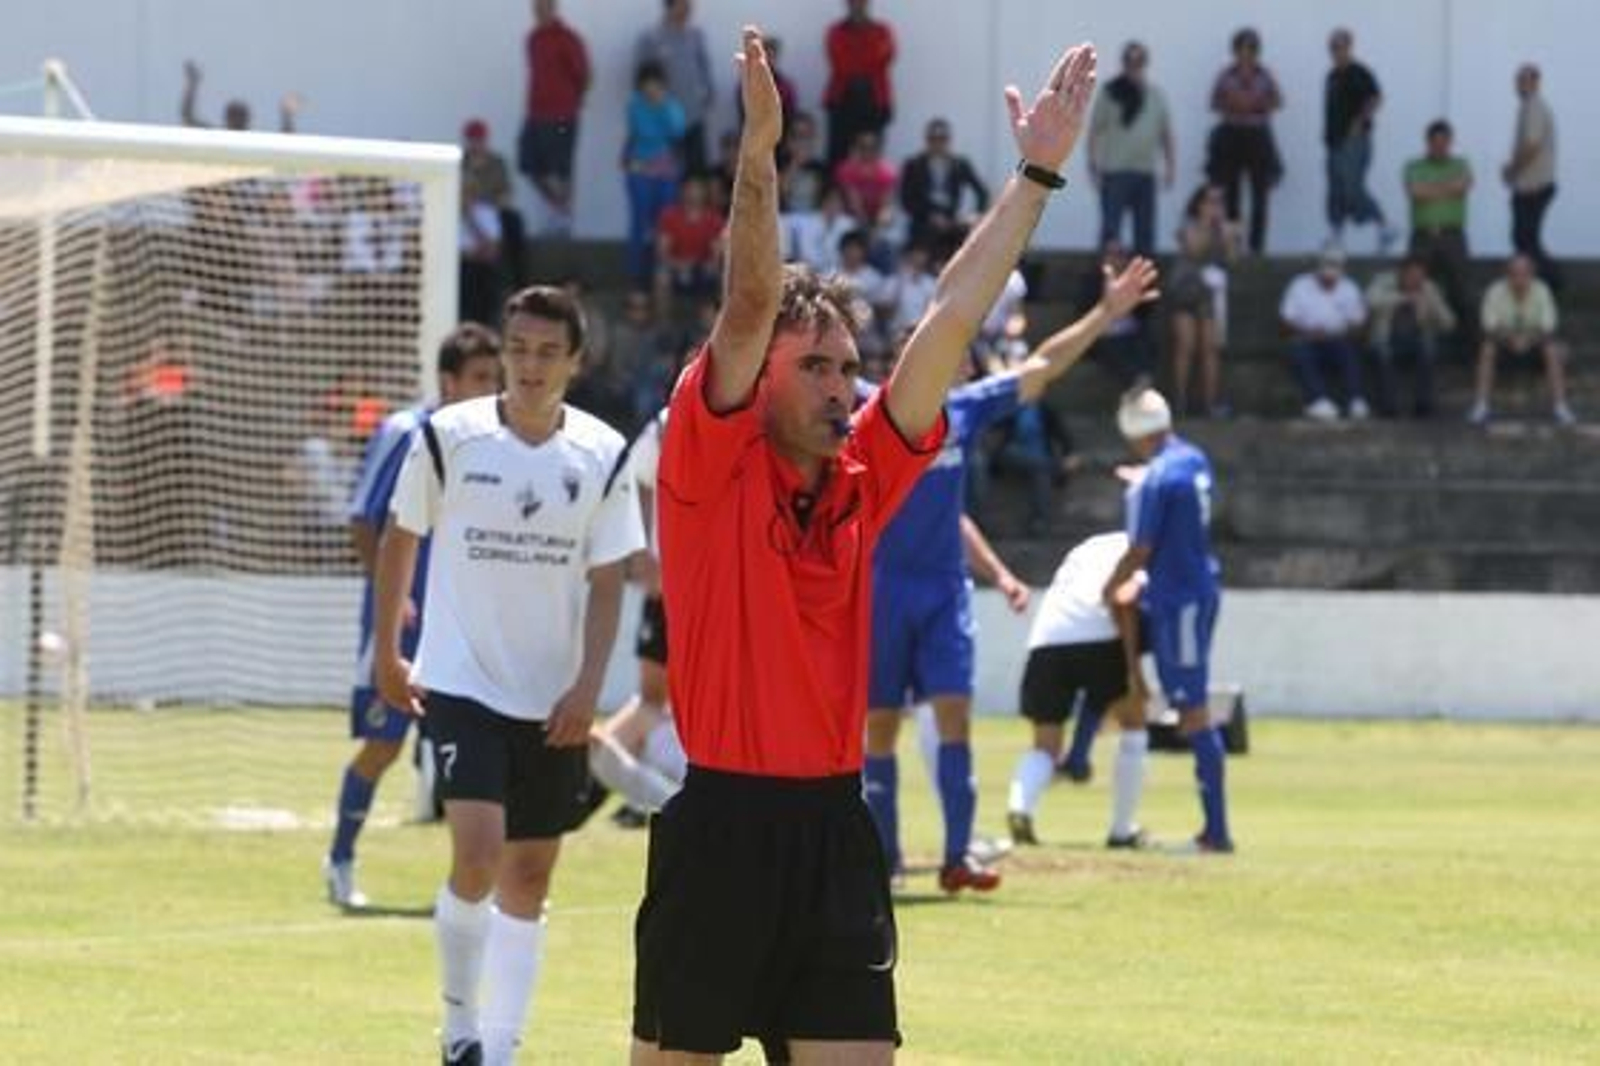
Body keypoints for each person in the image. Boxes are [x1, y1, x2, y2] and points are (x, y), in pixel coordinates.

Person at [631, 28, 1098, 1063]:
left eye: (850, 368)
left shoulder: (863, 474)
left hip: (838, 831)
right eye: (819, 369)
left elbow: (946, 318)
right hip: (721, 833)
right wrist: (758, 152)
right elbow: (750, 304)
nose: (846, 388)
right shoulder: (709, 462)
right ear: (761, 384)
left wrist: (1035, 175)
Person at [374, 286, 646, 1064]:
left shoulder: (602, 454)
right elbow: (400, 539)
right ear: (502, 352)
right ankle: (459, 1026)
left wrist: (589, 684)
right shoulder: (447, 437)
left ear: (575, 362)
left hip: (552, 694)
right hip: (459, 680)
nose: (529, 365)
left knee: (530, 873)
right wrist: (392, 651)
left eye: (546, 352)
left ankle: (500, 1047)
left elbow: (607, 577)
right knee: (480, 853)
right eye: (517, 349)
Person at [863, 253, 1159, 892]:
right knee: (878, 727)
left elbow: (1041, 367)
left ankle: (955, 857)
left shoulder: (961, 412)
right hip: (879, 588)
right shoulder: (866, 411)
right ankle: (882, 857)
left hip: (942, 590)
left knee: (954, 718)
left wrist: (1106, 314)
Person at [322, 324, 503, 909]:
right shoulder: (406, 432)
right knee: (383, 746)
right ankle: (341, 860)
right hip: (400, 625)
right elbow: (362, 520)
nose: (489, 389)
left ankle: (475, 884)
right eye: (478, 378)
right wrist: (393, 597)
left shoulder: (487, 440)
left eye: (492, 380)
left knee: (471, 753)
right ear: (447, 381)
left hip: (460, 626)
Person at [1102, 387, 1233, 854]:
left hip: (1179, 599)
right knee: (1185, 702)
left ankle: (1217, 832)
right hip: (1196, 588)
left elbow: (1140, 549)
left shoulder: (1154, 479)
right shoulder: (1192, 458)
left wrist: (1108, 587)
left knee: (1193, 711)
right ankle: (1213, 828)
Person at [1007, 531, 1148, 848]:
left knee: (1045, 744)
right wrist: (1134, 674)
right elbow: (1123, 603)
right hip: (1099, 634)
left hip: (1046, 638)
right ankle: (1122, 830)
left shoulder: (1088, 545)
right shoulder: (1143, 549)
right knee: (1134, 721)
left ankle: (1019, 808)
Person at [588, 408, 688, 825]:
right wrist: (643, 553)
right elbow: (633, 483)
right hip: (672, 592)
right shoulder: (666, 424)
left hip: (704, 591)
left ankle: (606, 783)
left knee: (666, 703)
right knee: (653, 699)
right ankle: (600, 783)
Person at [1088, 40, 1174, 257]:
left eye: (1139, 61)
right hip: (1115, 172)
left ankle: (1143, 287)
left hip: (1145, 173)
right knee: (1111, 233)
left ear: (1145, 64)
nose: (1134, 66)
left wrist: (1170, 167)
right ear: (1123, 63)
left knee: (1145, 236)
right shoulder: (1110, 93)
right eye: (1130, 61)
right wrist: (1093, 166)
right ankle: (1105, 284)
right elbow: (1095, 132)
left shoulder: (1156, 95)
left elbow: (1166, 135)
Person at [1469, 254, 1575, 426]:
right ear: (1507, 274)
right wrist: (1511, 338)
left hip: (1534, 343)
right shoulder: (1495, 291)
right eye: (1514, 273)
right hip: (1504, 342)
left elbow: (1548, 324)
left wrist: (1528, 338)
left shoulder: (1542, 290)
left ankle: (1560, 406)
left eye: (1523, 273)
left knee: (1552, 350)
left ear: (1531, 274)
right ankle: (1481, 406)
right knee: (1487, 350)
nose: (1518, 278)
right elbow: (1489, 324)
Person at [1166, 184, 1241, 417]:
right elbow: (1194, 249)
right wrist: (1210, 227)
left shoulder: (1224, 229)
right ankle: (1179, 401)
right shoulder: (1188, 227)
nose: (1215, 206)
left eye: (1219, 202)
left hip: (1210, 294)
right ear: (1199, 204)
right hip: (1186, 289)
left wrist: (1230, 239)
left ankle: (1210, 403)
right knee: (1186, 346)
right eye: (1210, 201)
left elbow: (1232, 261)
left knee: (1210, 349)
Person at [1206, 28, 1282, 254]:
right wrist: (1233, 105)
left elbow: (1278, 101)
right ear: (1235, 51)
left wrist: (1257, 105)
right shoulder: (1225, 76)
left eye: (1251, 49)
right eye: (1242, 49)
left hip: (1257, 136)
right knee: (1232, 193)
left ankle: (1257, 248)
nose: (1246, 54)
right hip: (1232, 135)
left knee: (1260, 194)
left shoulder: (1265, 75)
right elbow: (1214, 102)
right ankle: (1234, 247)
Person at [519, 0, 591, 235]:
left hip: (562, 113)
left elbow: (584, 74)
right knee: (528, 163)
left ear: (553, 8)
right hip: (535, 112)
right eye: (536, 9)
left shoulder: (568, 38)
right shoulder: (533, 39)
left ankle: (563, 219)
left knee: (560, 170)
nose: (539, 13)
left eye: (544, 8)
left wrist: (573, 102)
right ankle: (559, 208)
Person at [1324, 29, 1397, 252]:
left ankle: (1384, 225)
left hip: (1354, 141)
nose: (1337, 51)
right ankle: (1336, 236)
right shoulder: (1331, 76)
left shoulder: (1359, 72)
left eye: (1341, 46)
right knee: (1335, 190)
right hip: (1334, 141)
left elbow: (1375, 98)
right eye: (1333, 47)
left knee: (1352, 188)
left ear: (1349, 47)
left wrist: (1359, 121)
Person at [1280, 245, 1370, 421]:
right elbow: (1285, 322)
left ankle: (1355, 400)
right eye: (1327, 266)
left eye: (1336, 266)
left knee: (1349, 350)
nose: (1330, 276)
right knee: (1299, 350)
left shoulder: (1349, 288)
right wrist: (1307, 332)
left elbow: (1360, 325)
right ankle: (1318, 400)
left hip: (1338, 339)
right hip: (1306, 339)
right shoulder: (1299, 285)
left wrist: (1342, 333)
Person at [1404, 120, 1474, 343]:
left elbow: (1464, 186)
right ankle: (1422, 341)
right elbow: (1415, 193)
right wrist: (1447, 188)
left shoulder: (1461, 164)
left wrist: (1430, 189)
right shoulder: (1413, 166)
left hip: (1453, 235)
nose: (1440, 147)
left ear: (1451, 142)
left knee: (1461, 289)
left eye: (1444, 143)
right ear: (1428, 142)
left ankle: (1464, 343)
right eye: (1435, 143)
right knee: (1419, 288)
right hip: (1423, 236)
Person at [1364, 255, 1455, 418]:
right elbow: (1370, 301)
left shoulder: (1429, 288)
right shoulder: (1383, 282)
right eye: (1412, 277)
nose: (1416, 281)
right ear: (1402, 274)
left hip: (1416, 339)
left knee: (1428, 350)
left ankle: (1422, 405)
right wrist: (1403, 299)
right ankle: (1388, 406)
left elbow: (1449, 323)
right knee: (1383, 353)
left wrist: (1431, 310)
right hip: (1386, 338)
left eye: (1420, 277)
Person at [622, 61, 687, 287]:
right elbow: (641, 132)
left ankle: (662, 271)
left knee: (664, 222)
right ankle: (635, 274)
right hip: (639, 167)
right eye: (647, 85)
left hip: (666, 169)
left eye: (656, 84)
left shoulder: (671, 105)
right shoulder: (634, 105)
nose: (651, 89)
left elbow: (677, 131)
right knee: (639, 222)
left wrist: (663, 107)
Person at [636, 0, 715, 176]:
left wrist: (708, 95)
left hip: (694, 118)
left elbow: (705, 69)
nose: (688, 8)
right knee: (667, 175)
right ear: (670, 6)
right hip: (663, 122)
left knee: (696, 174)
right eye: (683, 4)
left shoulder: (696, 36)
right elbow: (641, 78)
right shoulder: (651, 38)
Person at [1502, 63, 1561, 290]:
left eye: (1526, 80)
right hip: (1530, 185)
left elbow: (1532, 145)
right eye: (1519, 80)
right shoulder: (1529, 106)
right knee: (1524, 239)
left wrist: (1512, 169)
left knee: (1525, 239)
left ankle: (1552, 283)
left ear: (1536, 82)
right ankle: (1538, 283)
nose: (1520, 84)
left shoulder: (1534, 106)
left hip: (1535, 186)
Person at [899, 118, 991, 252]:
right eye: (933, 139)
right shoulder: (913, 164)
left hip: (951, 221)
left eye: (942, 139)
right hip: (923, 221)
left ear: (949, 140)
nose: (937, 143)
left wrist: (974, 215)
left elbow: (982, 192)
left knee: (971, 244)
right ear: (926, 140)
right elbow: (906, 200)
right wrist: (929, 216)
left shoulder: (960, 163)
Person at [824, 0, 897, 166]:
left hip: (874, 102)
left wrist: (858, 60)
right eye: (853, 2)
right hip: (842, 101)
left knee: (872, 154)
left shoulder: (883, 31)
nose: (857, 6)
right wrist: (866, 62)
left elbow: (885, 59)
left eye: (861, 2)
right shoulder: (835, 32)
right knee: (838, 156)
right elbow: (840, 62)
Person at [462, 119, 527, 290]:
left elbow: (505, 194)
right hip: (467, 215)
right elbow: (462, 201)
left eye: (480, 139)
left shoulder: (497, 162)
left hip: (492, 211)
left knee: (514, 222)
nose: (477, 144)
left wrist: (488, 205)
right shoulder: (460, 163)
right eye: (473, 139)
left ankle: (520, 282)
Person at [653, 173, 726, 315]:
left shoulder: (714, 219)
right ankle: (663, 327)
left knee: (724, 278)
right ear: (681, 191)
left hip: (703, 267)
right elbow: (662, 252)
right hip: (677, 267)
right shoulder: (669, 216)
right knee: (661, 276)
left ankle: (718, 326)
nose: (693, 193)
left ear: (705, 192)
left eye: (697, 189)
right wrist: (677, 264)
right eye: (689, 189)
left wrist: (708, 264)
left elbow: (717, 254)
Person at [179, 58, 300, 132]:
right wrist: (286, 115)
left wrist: (193, 83)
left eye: (239, 118)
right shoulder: (251, 143)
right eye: (236, 118)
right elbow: (188, 117)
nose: (237, 122)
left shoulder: (250, 143)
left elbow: (187, 117)